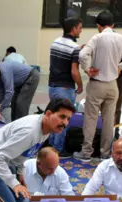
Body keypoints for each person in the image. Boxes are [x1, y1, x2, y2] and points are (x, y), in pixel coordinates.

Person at [0, 98, 75, 202]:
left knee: (21, 200)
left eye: (68, 119)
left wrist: (20, 173)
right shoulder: (30, 132)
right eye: (62, 117)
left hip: (1, 161)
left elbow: (24, 152)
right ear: (49, 114)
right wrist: (14, 184)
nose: (65, 123)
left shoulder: (46, 129)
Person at [75, 11, 122, 162]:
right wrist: (121, 66)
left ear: (98, 26)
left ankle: (86, 152)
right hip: (113, 86)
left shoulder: (97, 38)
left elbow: (82, 55)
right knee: (109, 120)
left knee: (91, 119)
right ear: (112, 25)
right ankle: (105, 153)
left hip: (97, 84)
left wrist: (87, 69)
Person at [48, 17, 83, 156]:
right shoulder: (74, 48)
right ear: (74, 28)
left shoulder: (55, 42)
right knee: (63, 120)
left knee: (54, 117)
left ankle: (50, 147)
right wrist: (80, 85)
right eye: (80, 27)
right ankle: (57, 151)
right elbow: (74, 71)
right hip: (65, 88)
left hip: (52, 86)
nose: (81, 30)